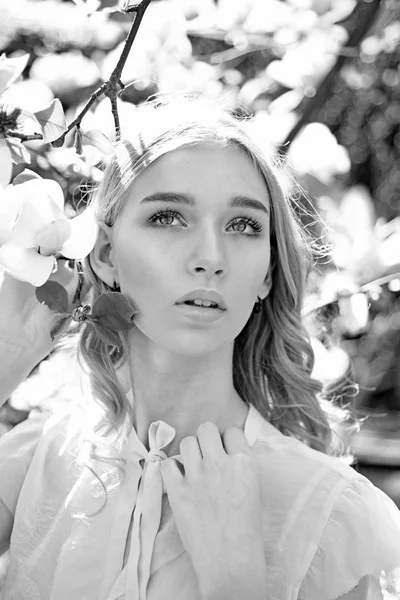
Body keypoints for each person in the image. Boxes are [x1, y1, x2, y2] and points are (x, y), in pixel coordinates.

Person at [0, 94, 399, 600]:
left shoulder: (336, 519)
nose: (210, 258)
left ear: (267, 274)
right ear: (104, 254)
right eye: (168, 217)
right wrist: (8, 358)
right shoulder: (39, 458)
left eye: (243, 226)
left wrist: (234, 580)